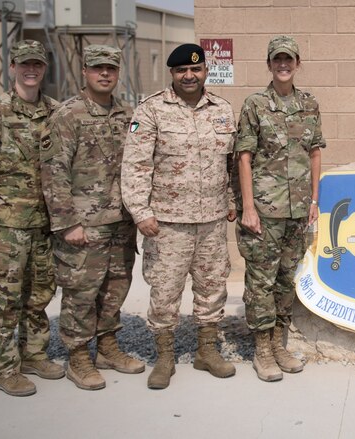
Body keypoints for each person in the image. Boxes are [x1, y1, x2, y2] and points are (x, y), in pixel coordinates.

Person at [121, 43, 237, 390]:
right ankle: (165, 357)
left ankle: (206, 352)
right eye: (181, 71)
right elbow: (136, 166)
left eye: (195, 69)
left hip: (212, 221)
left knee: (213, 288)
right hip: (167, 223)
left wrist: (231, 199)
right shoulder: (151, 110)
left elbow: (228, 164)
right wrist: (140, 213)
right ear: (172, 74)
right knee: (165, 291)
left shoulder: (222, 110)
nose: (189, 76)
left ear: (205, 71)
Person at [41, 45, 144, 391]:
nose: (104, 74)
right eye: (97, 68)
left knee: (115, 288)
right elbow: (53, 172)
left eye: (111, 69)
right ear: (84, 71)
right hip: (84, 225)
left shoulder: (124, 114)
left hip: (120, 222)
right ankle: (78, 356)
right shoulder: (68, 115)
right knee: (81, 293)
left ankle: (107, 347)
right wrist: (67, 222)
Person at [0, 40, 65, 396]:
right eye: (24, 64)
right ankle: (3, 367)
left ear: (44, 69)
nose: (31, 70)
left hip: (44, 223)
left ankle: (33, 354)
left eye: (37, 64)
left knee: (39, 292)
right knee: (3, 298)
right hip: (7, 224)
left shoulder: (55, 111)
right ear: (12, 67)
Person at [234, 35, 325, 382]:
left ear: (298, 64)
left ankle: (278, 343)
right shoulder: (255, 104)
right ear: (269, 65)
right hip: (265, 210)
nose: (283, 65)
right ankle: (262, 349)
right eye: (277, 60)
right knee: (261, 281)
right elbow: (244, 156)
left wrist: (314, 201)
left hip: (299, 209)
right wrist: (248, 207)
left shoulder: (309, 103)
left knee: (286, 279)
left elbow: (315, 152)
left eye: (289, 59)